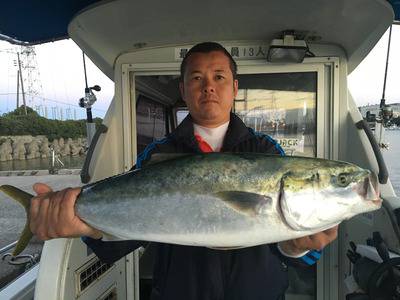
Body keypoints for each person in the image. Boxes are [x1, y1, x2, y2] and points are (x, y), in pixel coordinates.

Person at [30, 42, 338, 300]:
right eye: (196, 79)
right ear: (183, 88)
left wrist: (297, 248)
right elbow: (130, 231)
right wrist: (88, 227)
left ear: (234, 87)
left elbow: (289, 242)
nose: (208, 87)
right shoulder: (160, 153)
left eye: (219, 77)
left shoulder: (265, 151)